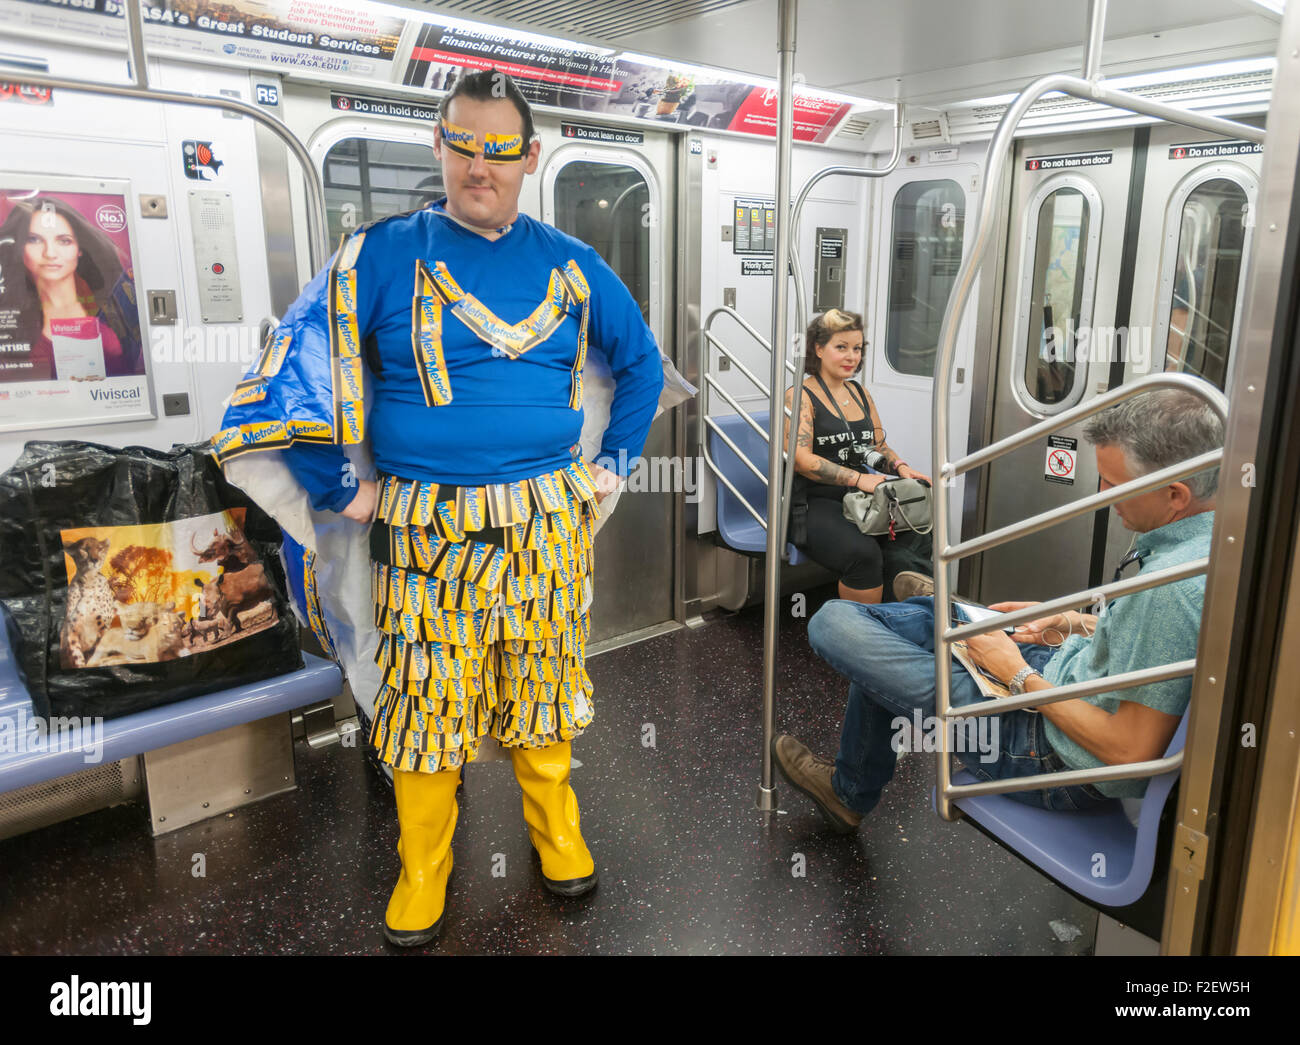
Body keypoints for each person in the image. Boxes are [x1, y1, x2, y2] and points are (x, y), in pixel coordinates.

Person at [211, 70, 665, 944]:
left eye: (499, 151)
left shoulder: (574, 262)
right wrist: (339, 487)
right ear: (439, 145)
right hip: (422, 529)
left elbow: (641, 360)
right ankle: (424, 864)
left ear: (530, 157)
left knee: (543, 690)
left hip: (546, 521)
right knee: (423, 704)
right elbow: (290, 379)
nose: (479, 167)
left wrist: (615, 461)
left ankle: (557, 832)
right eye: (463, 145)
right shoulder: (376, 254)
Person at [774, 388, 1220, 831]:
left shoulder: (1170, 590)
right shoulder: (1211, 537)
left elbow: (1128, 753)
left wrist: (1017, 677)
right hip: (1062, 673)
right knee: (910, 629)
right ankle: (947, 622)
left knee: (835, 623)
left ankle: (851, 788)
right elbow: (1147, 644)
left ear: (1176, 494)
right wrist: (1071, 622)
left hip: (1045, 752)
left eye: (1116, 485)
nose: (1102, 493)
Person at [785, 308, 931, 605]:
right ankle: (864, 635)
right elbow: (800, 459)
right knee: (862, 554)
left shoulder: (860, 393)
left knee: (918, 534)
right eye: (841, 347)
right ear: (818, 348)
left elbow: (878, 446)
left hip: (860, 496)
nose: (852, 356)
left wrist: (900, 467)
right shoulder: (800, 395)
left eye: (857, 348)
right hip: (811, 501)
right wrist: (860, 478)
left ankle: (907, 620)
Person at [0, 197, 133, 382]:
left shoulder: (117, 307)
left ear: (80, 248)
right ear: (20, 247)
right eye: (34, 239)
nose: (50, 253)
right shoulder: (7, 316)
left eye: (64, 241)